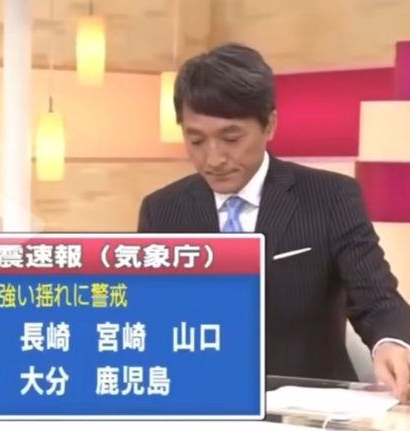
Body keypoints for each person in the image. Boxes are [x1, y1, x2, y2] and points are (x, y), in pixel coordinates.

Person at [137, 43, 410, 401]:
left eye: (231, 138)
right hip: (201, 402)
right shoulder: (162, 210)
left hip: (307, 409)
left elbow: (376, 298)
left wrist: (391, 343)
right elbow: (150, 316)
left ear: (270, 125)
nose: (213, 159)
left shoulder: (330, 197)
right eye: (196, 140)